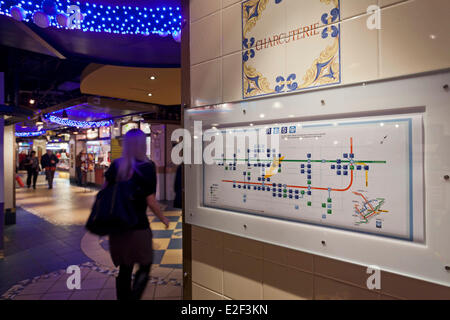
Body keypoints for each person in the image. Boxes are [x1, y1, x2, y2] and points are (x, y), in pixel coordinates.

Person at [104, 129, 169, 300]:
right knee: (145, 265)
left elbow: (105, 193)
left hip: (117, 228)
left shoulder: (115, 165)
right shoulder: (147, 167)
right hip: (138, 226)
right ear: (143, 144)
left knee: (125, 268)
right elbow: (151, 201)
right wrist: (163, 218)